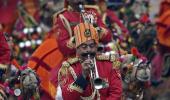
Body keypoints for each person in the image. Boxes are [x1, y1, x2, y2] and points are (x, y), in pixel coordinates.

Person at [55, 22, 122, 100]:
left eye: (92, 46)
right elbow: (68, 97)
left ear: (96, 46)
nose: (88, 50)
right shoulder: (68, 68)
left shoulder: (109, 64)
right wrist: (83, 75)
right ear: (77, 48)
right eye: (84, 46)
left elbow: (116, 93)